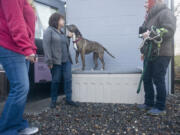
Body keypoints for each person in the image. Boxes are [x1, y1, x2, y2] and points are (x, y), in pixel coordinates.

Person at [0, 0, 39, 135]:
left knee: (21, 89)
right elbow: (15, 21)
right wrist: (27, 48)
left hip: (20, 47)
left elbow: (28, 27)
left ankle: (17, 125)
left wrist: (31, 48)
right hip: (10, 45)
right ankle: (7, 130)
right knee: (21, 87)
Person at [138, 0, 176, 115]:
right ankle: (149, 103)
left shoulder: (165, 13)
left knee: (158, 78)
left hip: (162, 53)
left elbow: (169, 30)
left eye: (146, 2)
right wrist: (143, 33)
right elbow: (143, 31)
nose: (144, 5)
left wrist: (150, 34)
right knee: (146, 77)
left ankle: (160, 107)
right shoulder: (149, 17)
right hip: (150, 53)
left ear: (152, 2)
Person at [43, 13, 78, 109]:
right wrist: (49, 61)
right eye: (62, 19)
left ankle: (68, 99)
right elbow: (46, 47)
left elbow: (66, 45)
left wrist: (68, 38)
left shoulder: (62, 32)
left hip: (66, 60)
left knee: (68, 80)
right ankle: (53, 101)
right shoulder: (49, 31)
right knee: (56, 81)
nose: (63, 21)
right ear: (56, 20)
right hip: (55, 61)